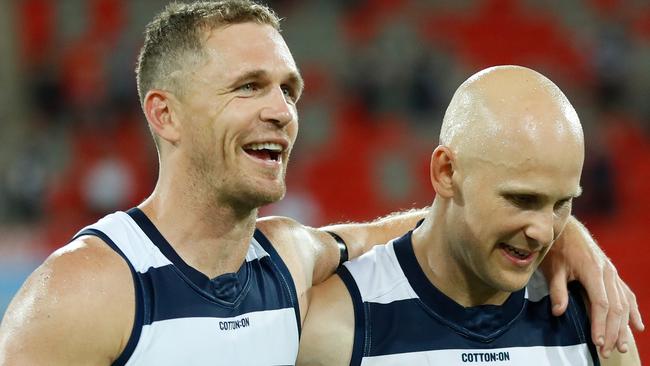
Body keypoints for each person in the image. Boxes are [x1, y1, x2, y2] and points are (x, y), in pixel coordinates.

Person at [0, 2, 641, 365]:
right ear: (164, 113)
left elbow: (412, 228)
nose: (281, 108)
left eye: (290, 89)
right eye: (249, 85)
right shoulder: (84, 290)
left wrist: (559, 231)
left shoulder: (288, 259)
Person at [297, 66, 641, 366]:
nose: (543, 232)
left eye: (561, 203)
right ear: (446, 172)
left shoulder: (597, 324)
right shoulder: (338, 326)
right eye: (522, 198)